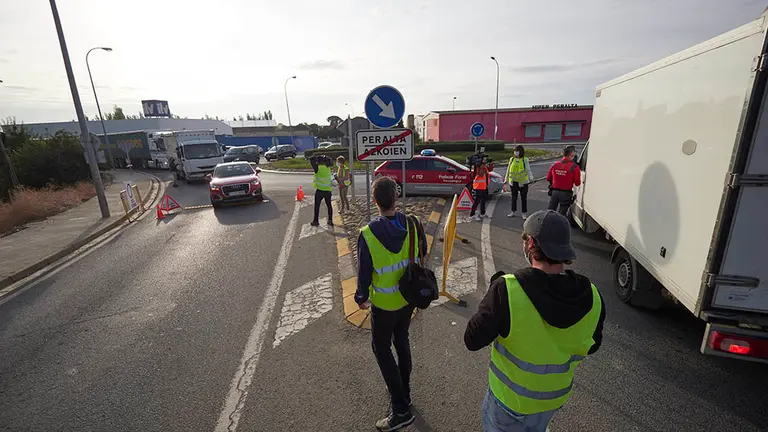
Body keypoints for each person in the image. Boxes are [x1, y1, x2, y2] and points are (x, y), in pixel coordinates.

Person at [464, 210, 605, 432]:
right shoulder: (593, 295)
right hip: (553, 400)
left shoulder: (507, 289)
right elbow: (593, 345)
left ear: (530, 243)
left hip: (510, 402)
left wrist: (493, 295)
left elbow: (472, 339)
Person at [355, 176, 428, 432]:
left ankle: (400, 409)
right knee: (402, 341)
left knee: (382, 349)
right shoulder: (412, 223)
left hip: (384, 305)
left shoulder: (367, 234)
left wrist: (360, 298)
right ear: (396, 199)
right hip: (407, 301)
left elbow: (364, 273)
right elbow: (422, 253)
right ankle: (404, 391)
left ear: (375, 201)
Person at [546, 146, 581, 216]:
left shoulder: (554, 165)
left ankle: (548, 224)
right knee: (562, 214)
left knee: (550, 211)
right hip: (566, 193)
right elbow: (577, 183)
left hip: (554, 192)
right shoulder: (574, 167)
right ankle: (559, 226)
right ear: (571, 155)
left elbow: (548, 178)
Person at [505, 145, 534, 219]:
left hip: (523, 182)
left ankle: (524, 213)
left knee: (523, 198)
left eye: (517, 151)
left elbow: (528, 170)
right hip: (513, 182)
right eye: (515, 151)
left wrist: (531, 178)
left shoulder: (525, 160)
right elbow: (508, 170)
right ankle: (513, 211)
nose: (515, 153)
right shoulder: (512, 159)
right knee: (513, 198)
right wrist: (506, 179)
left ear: (521, 152)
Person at [310, 154, 334, 227]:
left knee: (317, 206)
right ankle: (330, 220)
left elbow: (311, 159)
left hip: (320, 190)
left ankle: (315, 221)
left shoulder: (318, 168)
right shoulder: (328, 168)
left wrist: (317, 156)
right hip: (328, 190)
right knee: (329, 205)